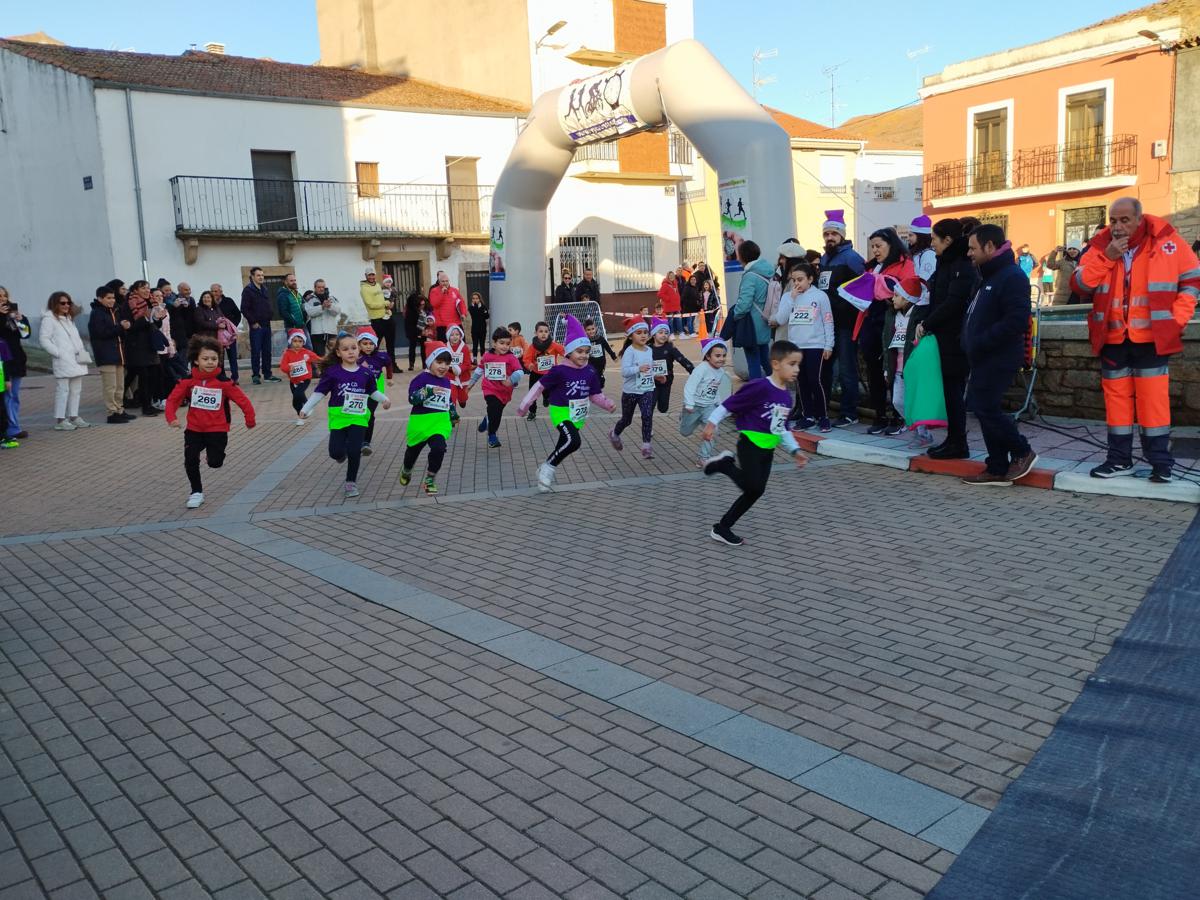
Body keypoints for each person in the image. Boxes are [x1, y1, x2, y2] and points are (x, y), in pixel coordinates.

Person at [1071, 197, 1199, 483]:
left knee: (1153, 402)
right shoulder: (1100, 245)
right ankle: (1119, 461)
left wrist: (1177, 318)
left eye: (1124, 220)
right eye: (1113, 220)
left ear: (1139, 219)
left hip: (1153, 338)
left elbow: (1192, 278)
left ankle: (1161, 464)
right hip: (1113, 337)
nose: (1117, 226)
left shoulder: (1166, 240)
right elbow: (1079, 284)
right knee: (1116, 403)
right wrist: (1108, 257)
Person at [702, 340, 808, 546]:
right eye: (792, 364)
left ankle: (722, 528)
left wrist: (795, 450)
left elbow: (782, 428)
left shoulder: (786, 397)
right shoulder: (760, 386)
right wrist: (711, 423)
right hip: (750, 444)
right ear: (776, 364)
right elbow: (730, 404)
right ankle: (725, 465)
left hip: (768, 449)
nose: (796, 369)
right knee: (752, 485)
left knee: (756, 491)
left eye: (798, 365)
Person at [961, 223, 1037, 486]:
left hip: (999, 355)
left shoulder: (1011, 276)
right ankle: (996, 466)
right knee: (983, 409)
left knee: (986, 408)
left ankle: (1022, 450)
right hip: (982, 356)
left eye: (973, 248)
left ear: (989, 246)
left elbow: (1017, 320)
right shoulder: (988, 275)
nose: (969, 253)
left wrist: (982, 341)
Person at [517, 315, 616, 492]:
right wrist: (525, 405)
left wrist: (607, 404)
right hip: (561, 411)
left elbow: (594, 394)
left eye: (586, 352)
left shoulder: (590, 371)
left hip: (578, 415)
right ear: (569, 352)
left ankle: (545, 468)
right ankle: (548, 468)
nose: (583, 355)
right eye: (579, 351)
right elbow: (539, 386)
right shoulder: (559, 370)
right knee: (574, 441)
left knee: (564, 444)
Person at [166, 335, 256, 509]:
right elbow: (172, 400)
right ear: (196, 360)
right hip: (194, 429)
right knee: (190, 458)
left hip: (217, 429)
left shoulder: (224, 383)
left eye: (214, 359)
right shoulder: (188, 381)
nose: (210, 362)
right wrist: (172, 417)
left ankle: (212, 456)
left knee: (216, 463)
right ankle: (196, 492)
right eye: (205, 359)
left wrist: (250, 419)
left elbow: (242, 400)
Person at [299, 333, 391, 499]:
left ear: (359, 350)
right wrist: (306, 408)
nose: (350, 352)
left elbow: (373, 391)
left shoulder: (366, 373)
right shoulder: (332, 372)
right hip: (339, 417)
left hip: (358, 417)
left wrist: (384, 399)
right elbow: (320, 392)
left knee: (355, 450)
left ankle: (351, 482)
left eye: (354, 348)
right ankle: (341, 454)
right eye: (346, 349)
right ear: (338, 353)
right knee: (335, 452)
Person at [917, 218, 979, 460]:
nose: (931, 243)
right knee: (948, 392)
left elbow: (954, 302)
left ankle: (958, 442)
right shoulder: (946, 262)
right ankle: (953, 440)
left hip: (955, 338)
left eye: (934, 238)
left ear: (948, 240)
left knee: (954, 393)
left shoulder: (961, 265)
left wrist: (927, 323)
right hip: (943, 337)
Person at [862, 228, 914, 435]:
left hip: (892, 321)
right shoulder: (870, 267)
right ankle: (880, 415)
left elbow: (909, 292)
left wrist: (887, 288)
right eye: (872, 246)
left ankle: (898, 416)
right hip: (870, 320)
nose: (875, 250)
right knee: (873, 369)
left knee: (893, 369)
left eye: (879, 246)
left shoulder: (905, 264)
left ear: (891, 245)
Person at [820, 211, 868, 426]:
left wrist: (845, 306)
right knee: (827, 368)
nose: (830, 237)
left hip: (846, 324)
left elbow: (865, 286)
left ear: (842, 235)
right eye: (826, 234)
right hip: (827, 323)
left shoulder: (852, 258)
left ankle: (850, 413)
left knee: (847, 369)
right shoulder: (825, 258)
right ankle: (824, 408)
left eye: (833, 233)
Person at [775, 262, 834, 431]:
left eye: (800, 279)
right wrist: (791, 298)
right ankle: (807, 416)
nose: (796, 283)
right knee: (802, 382)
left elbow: (828, 320)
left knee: (815, 380)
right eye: (794, 280)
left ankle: (823, 416)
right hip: (796, 347)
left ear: (810, 279)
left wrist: (829, 345)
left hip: (816, 345)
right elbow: (780, 319)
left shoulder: (820, 296)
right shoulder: (788, 296)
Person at [398, 341, 453, 494]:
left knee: (439, 448)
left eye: (447, 363)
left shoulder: (446, 381)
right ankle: (407, 470)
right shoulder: (421, 379)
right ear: (430, 362)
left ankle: (430, 478)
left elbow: (448, 400)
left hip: (439, 423)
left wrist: (453, 413)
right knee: (411, 454)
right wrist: (428, 392)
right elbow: (412, 399)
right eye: (439, 362)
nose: (443, 367)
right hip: (420, 424)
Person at [40, 291, 91, 431]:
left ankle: (74, 416)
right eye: (63, 303)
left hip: (77, 359)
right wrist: (58, 353)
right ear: (55, 303)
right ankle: (61, 419)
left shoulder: (68, 318)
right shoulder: (49, 319)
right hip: (63, 360)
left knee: (76, 390)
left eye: (68, 302)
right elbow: (44, 339)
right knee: (63, 390)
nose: (66, 305)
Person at [609, 316, 657, 459]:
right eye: (639, 333)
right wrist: (638, 369)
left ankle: (646, 445)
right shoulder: (629, 352)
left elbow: (649, 368)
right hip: (630, 391)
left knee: (647, 415)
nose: (643, 336)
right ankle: (614, 433)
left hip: (647, 389)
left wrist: (656, 375)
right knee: (627, 420)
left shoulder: (649, 350)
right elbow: (624, 372)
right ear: (631, 336)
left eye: (645, 332)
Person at [681, 337, 732, 466]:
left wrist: (720, 405)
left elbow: (715, 390)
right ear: (708, 356)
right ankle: (684, 417)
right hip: (694, 407)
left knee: (713, 431)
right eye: (717, 356)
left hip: (709, 407)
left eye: (724, 356)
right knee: (685, 432)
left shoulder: (721, 372)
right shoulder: (701, 369)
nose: (721, 359)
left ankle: (703, 457)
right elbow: (690, 386)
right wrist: (689, 403)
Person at [469, 327, 523, 448]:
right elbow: (479, 370)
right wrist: (471, 384)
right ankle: (492, 435)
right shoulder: (487, 356)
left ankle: (487, 419)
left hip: (505, 392)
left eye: (507, 344)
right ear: (494, 343)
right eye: (501, 343)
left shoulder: (511, 358)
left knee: (496, 413)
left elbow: (520, 372)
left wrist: (510, 380)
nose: (505, 346)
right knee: (494, 408)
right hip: (489, 388)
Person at [87, 285, 134, 425]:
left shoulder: (114, 311)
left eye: (113, 298)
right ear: (100, 299)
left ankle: (119, 409)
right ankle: (112, 413)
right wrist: (120, 327)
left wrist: (124, 327)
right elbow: (101, 333)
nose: (112, 300)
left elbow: (118, 332)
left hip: (118, 354)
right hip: (106, 355)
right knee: (110, 386)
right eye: (108, 298)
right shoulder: (97, 314)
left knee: (120, 386)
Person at [730, 240, 775, 380]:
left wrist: (735, 315)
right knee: (765, 359)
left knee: (753, 362)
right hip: (764, 321)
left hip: (751, 326)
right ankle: (776, 385)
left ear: (742, 255)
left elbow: (744, 304)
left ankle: (756, 391)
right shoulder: (767, 271)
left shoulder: (750, 276)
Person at [121, 281, 161, 416]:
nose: (147, 290)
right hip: (136, 346)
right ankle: (146, 407)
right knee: (144, 377)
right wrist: (146, 318)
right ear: (135, 290)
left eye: (148, 288)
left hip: (150, 344)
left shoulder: (150, 302)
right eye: (143, 288)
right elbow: (131, 327)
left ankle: (147, 403)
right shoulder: (129, 304)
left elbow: (155, 324)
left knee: (152, 376)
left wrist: (158, 317)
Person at [0, 289, 31, 439]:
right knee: (7, 396)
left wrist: (21, 320)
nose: (3, 299)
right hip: (2, 361)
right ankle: (9, 428)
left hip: (16, 359)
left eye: (5, 295)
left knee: (14, 396)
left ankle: (13, 427)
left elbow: (26, 334)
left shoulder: (12, 314)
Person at [355, 327, 391, 453]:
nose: (368, 346)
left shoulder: (381, 357)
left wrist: (390, 378)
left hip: (375, 391)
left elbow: (389, 364)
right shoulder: (355, 357)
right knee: (358, 415)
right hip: (358, 391)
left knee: (369, 414)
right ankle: (354, 439)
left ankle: (366, 442)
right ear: (359, 344)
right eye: (365, 343)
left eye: (371, 343)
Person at [241, 267, 278, 384]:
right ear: (252, 277)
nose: (261, 277)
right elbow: (244, 309)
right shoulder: (248, 290)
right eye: (258, 275)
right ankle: (256, 375)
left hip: (266, 325)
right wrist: (253, 322)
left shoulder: (264, 289)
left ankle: (267, 375)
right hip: (256, 327)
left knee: (267, 351)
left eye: (262, 275)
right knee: (256, 352)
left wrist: (270, 314)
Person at [649, 317, 693, 414]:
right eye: (660, 332)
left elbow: (682, 359)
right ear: (654, 334)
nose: (663, 335)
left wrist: (693, 371)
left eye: (666, 333)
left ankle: (660, 401)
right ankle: (647, 423)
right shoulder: (648, 348)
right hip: (651, 381)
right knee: (649, 406)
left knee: (663, 408)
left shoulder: (670, 348)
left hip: (666, 380)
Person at [764, 240, 806, 339]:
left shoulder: (794, 282)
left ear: (791, 260)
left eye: (783, 258)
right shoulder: (787, 279)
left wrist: (775, 319)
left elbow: (790, 307)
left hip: (789, 332)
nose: (781, 261)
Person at [521, 320, 563, 421]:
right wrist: (529, 365)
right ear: (536, 333)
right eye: (541, 331)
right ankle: (532, 412)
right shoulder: (532, 347)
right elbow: (526, 359)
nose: (543, 334)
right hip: (536, 373)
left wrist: (572, 355)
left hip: (550, 374)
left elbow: (564, 351)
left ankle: (546, 397)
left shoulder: (553, 345)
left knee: (548, 390)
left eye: (546, 331)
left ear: (549, 333)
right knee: (532, 394)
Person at [279, 328, 322, 427]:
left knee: (298, 394)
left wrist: (329, 362)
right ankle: (301, 415)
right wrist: (289, 368)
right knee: (295, 402)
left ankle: (306, 408)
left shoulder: (307, 353)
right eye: (295, 341)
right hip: (293, 380)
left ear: (303, 342)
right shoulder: (287, 354)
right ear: (291, 342)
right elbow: (283, 367)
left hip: (305, 379)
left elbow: (318, 359)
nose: (297, 344)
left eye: (300, 341)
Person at [211, 283, 241, 382]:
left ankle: (235, 377)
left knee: (232, 357)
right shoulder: (209, 303)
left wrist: (232, 327)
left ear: (221, 292)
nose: (214, 293)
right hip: (217, 336)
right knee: (220, 358)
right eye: (212, 291)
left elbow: (238, 314)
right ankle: (222, 377)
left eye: (216, 291)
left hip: (229, 335)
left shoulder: (228, 301)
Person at [305, 279, 341, 357]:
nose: (321, 289)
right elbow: (310, 312)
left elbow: (338, 311)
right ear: (315, 288)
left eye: (323, 287)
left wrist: (330, 306)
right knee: (319, 355)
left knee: (333, 355)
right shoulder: (310, 299)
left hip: (331, 331)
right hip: (317, 332)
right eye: (319, 287)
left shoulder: (331, 298)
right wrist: (322, 307)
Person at [445, 324, 473, 425]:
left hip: (462, 378)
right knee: (452, 397)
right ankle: (452, 417)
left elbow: (468, 363)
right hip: (450, 377)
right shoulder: (445, 347)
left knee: (462, 397)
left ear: (461, 335)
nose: (455, 337)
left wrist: (459, 369)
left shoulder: (464, 348)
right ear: (448, 336)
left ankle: (462, 400)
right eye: (452, 335)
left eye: (457, 334)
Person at [429, 271, 466, 341]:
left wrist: (463, 313)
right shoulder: (434, 291)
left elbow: (461, 303)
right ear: (439, 282)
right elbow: (434, 304)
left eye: (446, 281)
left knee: (461, 343)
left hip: (456, 323)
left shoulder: (455, 290)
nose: (445, 283)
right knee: (444, 345)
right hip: (442, 324)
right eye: (443, 281)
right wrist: (442, 293)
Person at [276, 273, 307, 348]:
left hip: (302, 325)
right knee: (293, 348)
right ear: (286, 282)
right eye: (291, 281)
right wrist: (294, 321)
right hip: (292, 326)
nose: (294, 282)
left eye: (295, 280)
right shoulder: (283, 295)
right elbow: (283, 312)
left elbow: (304, 306)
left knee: (308, 347)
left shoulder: (298, 294)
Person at [584, 318, 616, 389]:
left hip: (601, 362)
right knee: (593, 377)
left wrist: (613, 356)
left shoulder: (600, 338)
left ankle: (600, 382)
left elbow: (608, 348)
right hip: (590, 362)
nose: (591, 331)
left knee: (599, 379)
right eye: (588, 330)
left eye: (592, 329)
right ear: (585, 331)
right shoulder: (585, 341)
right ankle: (595, 390)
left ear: (596, 328)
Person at [377, 275, 399, 374]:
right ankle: (374, 365)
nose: (388, 284)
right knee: (375, 344)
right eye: (386, 282)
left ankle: (392, 365)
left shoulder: (393, 291)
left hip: (389, 318)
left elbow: (393, 300)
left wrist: (392, 302)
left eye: (390, 282)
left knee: (391, 345)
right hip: (380, 319)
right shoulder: (380, 291)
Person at [403, 287, 428, 371]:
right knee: (413, 346)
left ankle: (424, 364)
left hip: (422, 330)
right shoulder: (411, 310)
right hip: (413, 331)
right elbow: (409, 324)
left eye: (423, 305)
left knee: (422, 347)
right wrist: (418, 332)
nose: (422, 306)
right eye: (421, 305)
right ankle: (412, 364)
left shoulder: (424, 309)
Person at [167, 281, 194, 352]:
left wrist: (187, 307)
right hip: (179, 334)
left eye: (189, 289)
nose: (188, 292)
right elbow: (172, 316)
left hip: (190, 332)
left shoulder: (191, 300)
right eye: (186, 290)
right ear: (179, 290)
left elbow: (193, 315)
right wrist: (175, 306)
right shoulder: (174, 300)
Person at [657, 272, 682, 336]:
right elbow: (660, 294)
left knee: (679, 319)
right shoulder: (665, 285)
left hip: (676, 306)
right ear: (667, 276)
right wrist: (668, 298)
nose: (671, 277)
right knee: (670, 321)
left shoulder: (675, 284)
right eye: (670, 275)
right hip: (669, 306)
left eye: (673, 275)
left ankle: (681, 333)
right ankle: (671, 334)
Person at [468, 291, 489, 358]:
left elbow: (487, 316)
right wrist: (479, 309)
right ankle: (474, 358)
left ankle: (483, 358)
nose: (475, 300)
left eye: (477, 298)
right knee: (475, 344)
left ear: (479, 299)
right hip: (474, 329)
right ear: (472, 299)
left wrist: (481, 308)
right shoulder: (471, 307)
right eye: (473, 298)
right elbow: (475, 314)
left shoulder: (483, 306)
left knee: (482, 344)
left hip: (482, 329)